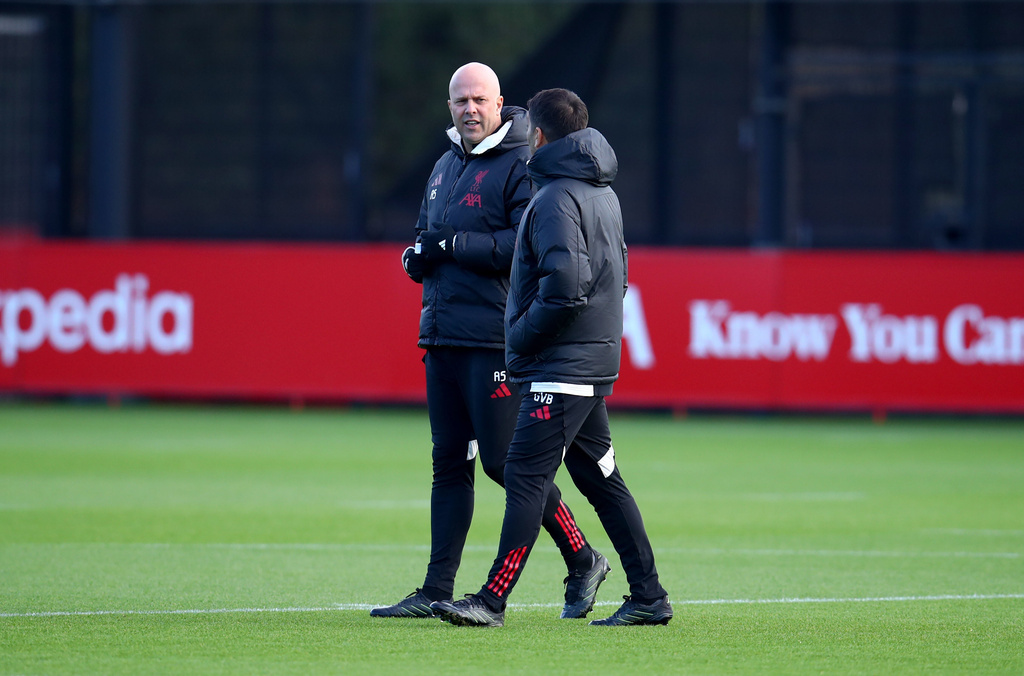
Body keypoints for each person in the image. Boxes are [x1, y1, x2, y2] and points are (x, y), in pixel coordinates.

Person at [371, 65, 609, 620]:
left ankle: (583, 556)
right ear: (449, 106)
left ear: (500, 103)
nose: (470, 109)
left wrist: (451, 244)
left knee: (506, 464)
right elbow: (429, 239)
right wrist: (419, 257)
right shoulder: (444, 165)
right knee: (447, 462)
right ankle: (435, 589)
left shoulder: (521, 163)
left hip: (494, 341)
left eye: (479, 99)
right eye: (460, 101)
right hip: (443, 335)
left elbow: (521, 244)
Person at [431, 88, 672, 627]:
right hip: (589, 361)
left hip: (562, 366)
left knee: (523, 474)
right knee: (600, 478)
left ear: (538, 136)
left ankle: (492, 599)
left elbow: (566, 286)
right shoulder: (600, 190)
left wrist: (520, 335)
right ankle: (649, 597)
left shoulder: (557, 195)